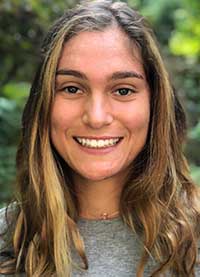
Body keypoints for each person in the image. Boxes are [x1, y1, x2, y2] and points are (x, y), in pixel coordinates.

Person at [0, 0, 200, 276]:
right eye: (71, 88)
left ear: (156, 104)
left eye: (123, 90)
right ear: (42, 103)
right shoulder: (5, 241)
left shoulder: (194, 241)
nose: (96, 117)